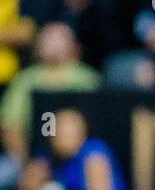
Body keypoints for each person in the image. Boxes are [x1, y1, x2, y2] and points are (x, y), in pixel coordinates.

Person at [0, 24, 99, 163]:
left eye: (58, 39)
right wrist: (25, 161)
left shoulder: (86, 77)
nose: (53, 45)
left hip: (79, 154)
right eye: (47, 39)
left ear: (72, 45)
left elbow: (95, 121)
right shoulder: (25, 79)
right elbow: (10, 124)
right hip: (31, 154)